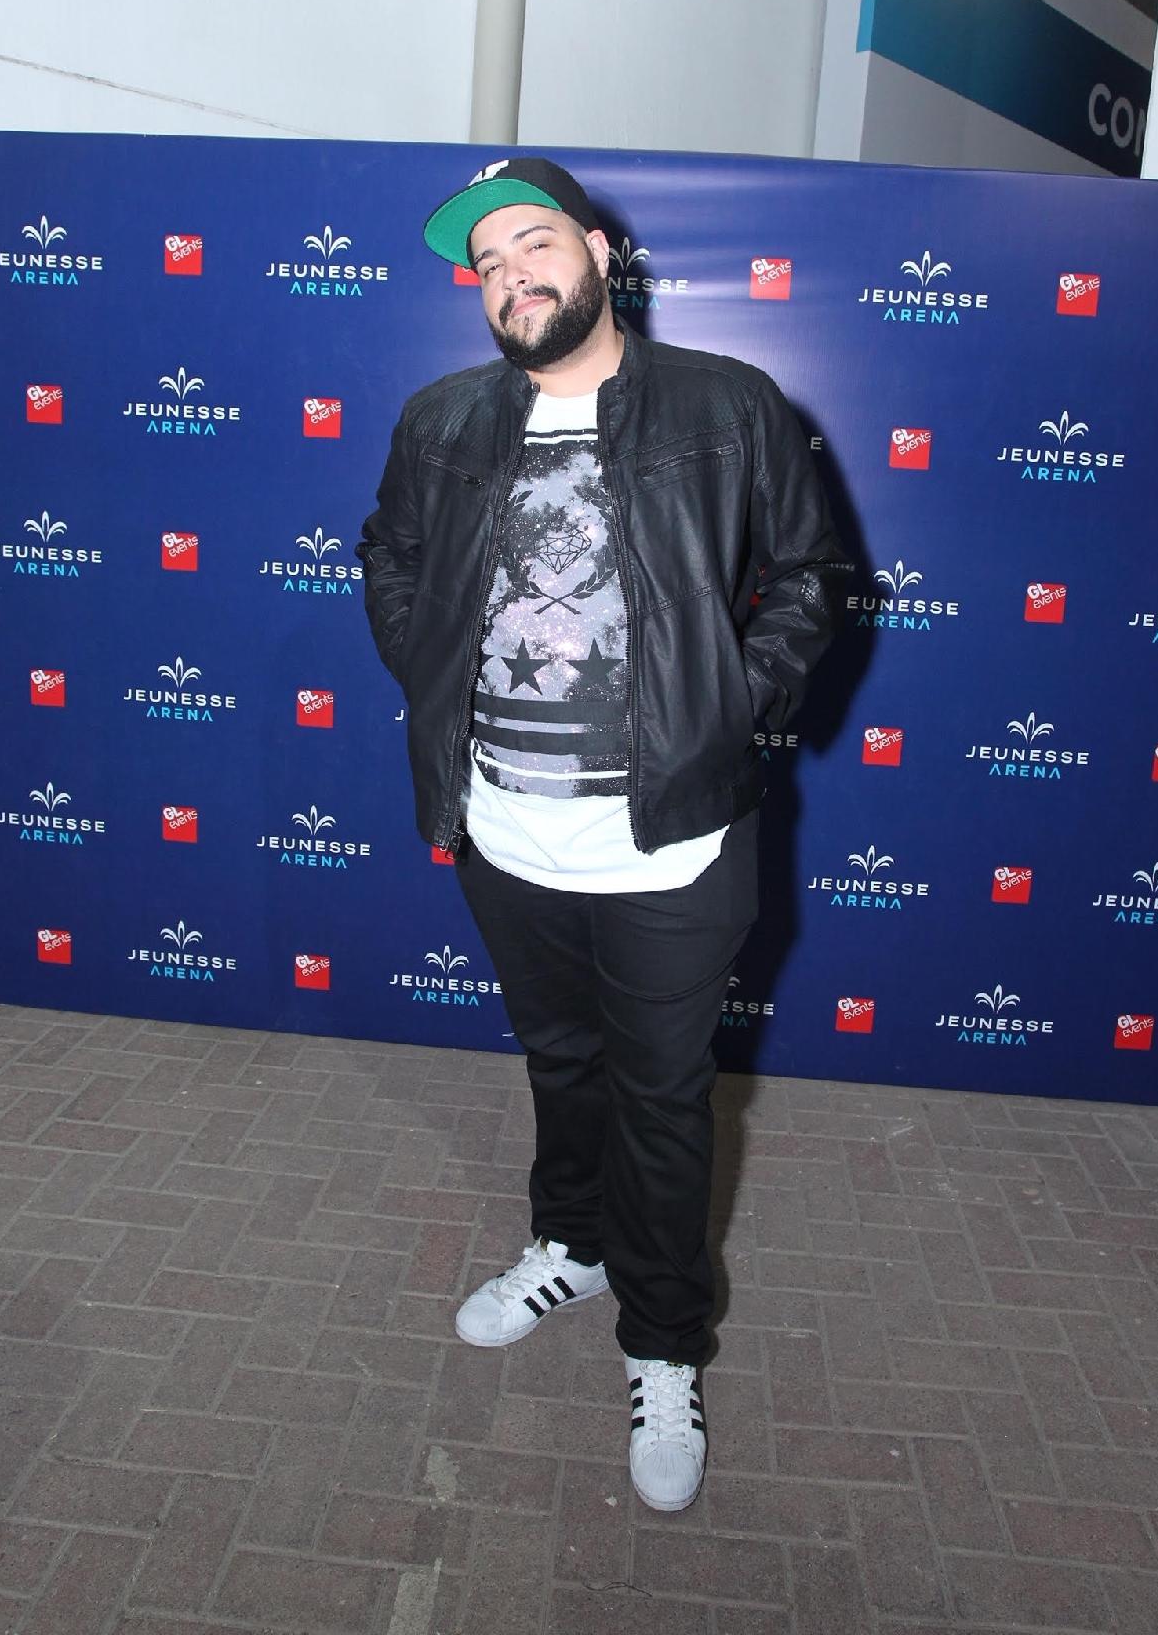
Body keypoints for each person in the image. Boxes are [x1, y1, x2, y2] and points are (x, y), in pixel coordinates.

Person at [358, 157, 849, 1511]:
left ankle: (665, 1343)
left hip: (671, 841)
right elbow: (390, 557)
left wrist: (731, 703)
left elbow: (811, 576)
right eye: (489, 266)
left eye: (534, 244)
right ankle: (569, 1245)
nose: (513, 276)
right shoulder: (443, 418)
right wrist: (432, 671)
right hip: (506, 829)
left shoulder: (725, 405)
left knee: (663, 1099)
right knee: (563, 1062)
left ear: (596, 249)